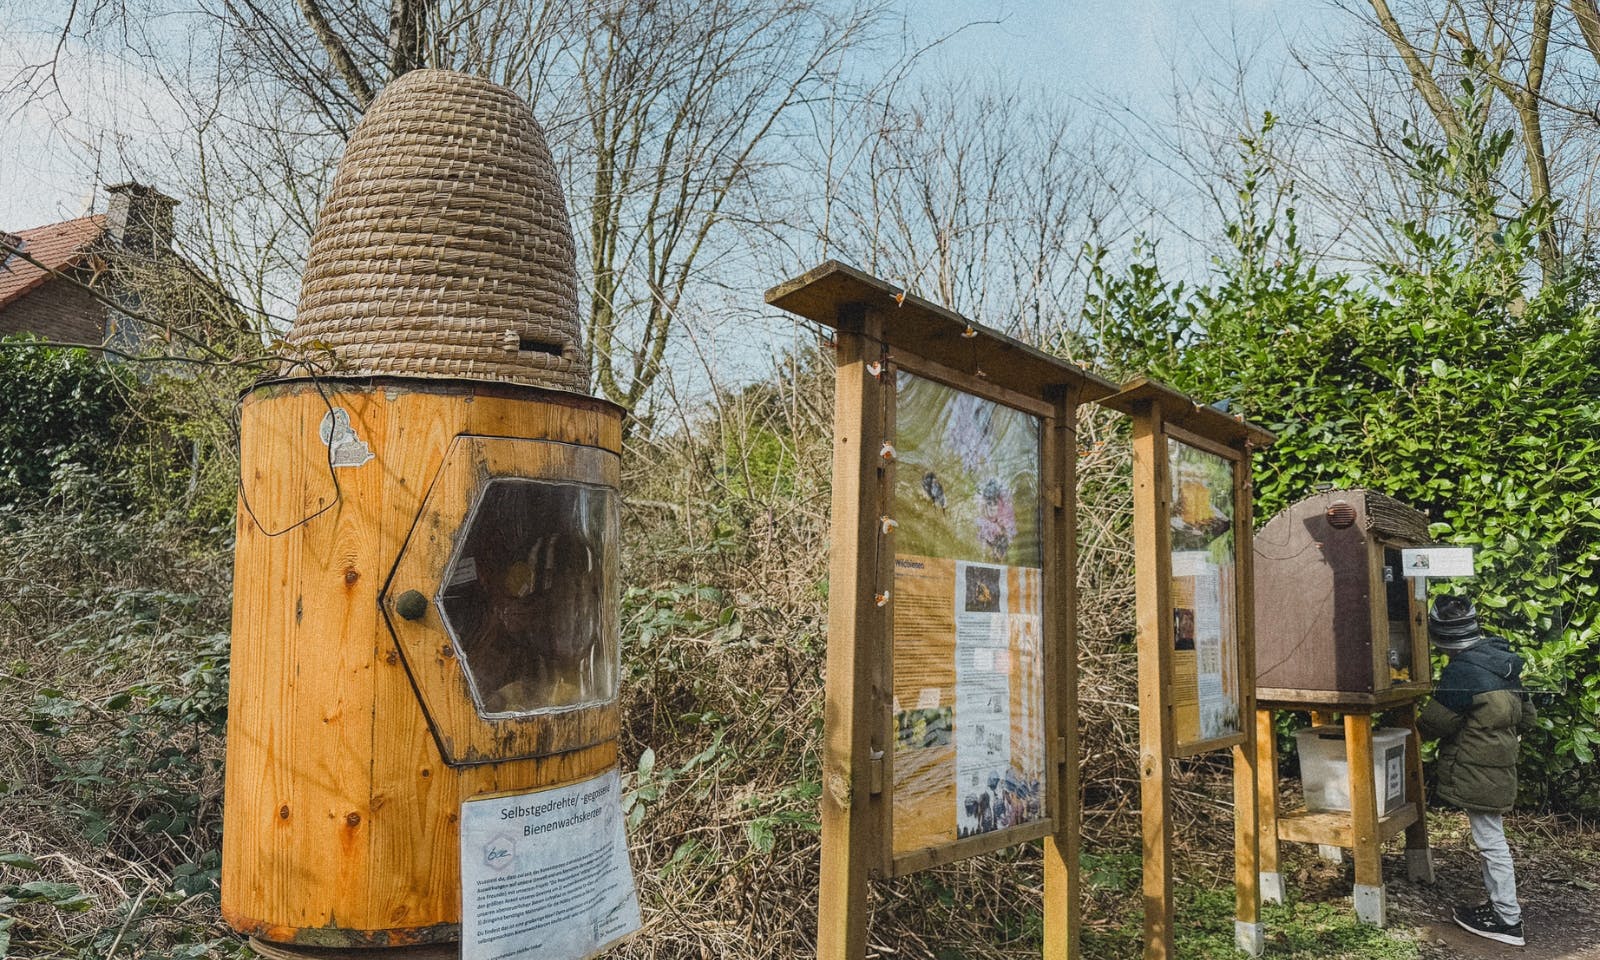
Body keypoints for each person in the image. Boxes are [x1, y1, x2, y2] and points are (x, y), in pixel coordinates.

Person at [1418, 594, 1537, 946]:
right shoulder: (1503, 661)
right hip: (1500, 764)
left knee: (1490, 841)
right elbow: (1528, 717)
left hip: (1476, 768)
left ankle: (1507, 919)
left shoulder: (1462, 671)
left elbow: (1433, 724)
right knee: (1491, 837)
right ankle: (1500, 909)